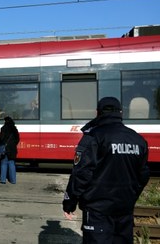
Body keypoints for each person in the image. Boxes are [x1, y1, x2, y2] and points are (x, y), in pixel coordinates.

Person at [63, 97, 150, 243]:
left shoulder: (93, 137)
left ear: (98, 112)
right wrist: (130, 198)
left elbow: (82, 173)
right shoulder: (138, 140)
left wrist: (69, 202)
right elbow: (143, 175)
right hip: (125, 210)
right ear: (121, 113)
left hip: (97, 211)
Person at [0, 116, 19, 184]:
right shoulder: (14, 128)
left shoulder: (3, 128)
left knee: (4, 163)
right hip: (12, 148)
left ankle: (3, 180)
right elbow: (17, 139)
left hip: (5, 148)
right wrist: (13, 144)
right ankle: (13, 180)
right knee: (12, 163)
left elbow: (1, 139)